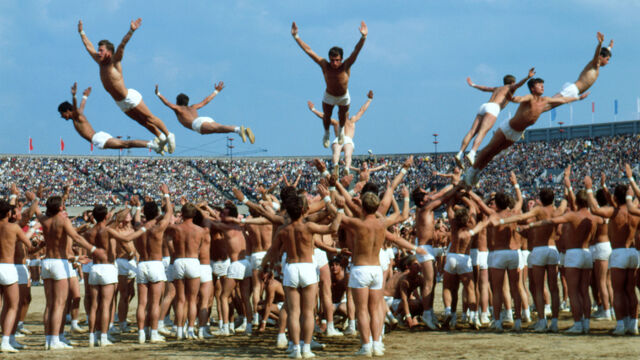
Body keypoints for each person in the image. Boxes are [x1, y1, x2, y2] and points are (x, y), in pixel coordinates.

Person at [463, 78, 589, 186]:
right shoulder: (529, 97)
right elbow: (519, 99)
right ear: (533, 89)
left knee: (494, 153)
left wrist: (578, 98)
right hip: (508, 127)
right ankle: (472, 171)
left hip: (517, 133)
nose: (542, 87)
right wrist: (511, 98)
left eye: (543, 85)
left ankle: (477, 172)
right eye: (539, 85)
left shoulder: (545, 100)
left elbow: (563, 100)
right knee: (490, 149)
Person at [78, 18, 176, 153]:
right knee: (142, 122)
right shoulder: (100, 62)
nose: (98, 52)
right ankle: (160, 138)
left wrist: (131, 31)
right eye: (98, 50)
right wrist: (82, 32)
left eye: (101, 50)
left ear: (109, 52)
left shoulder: (114, 61)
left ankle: (169, 134)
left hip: (129, 97)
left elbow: (122, 45)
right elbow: (88, 46)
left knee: (150, 117)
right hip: (120, 102)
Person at [524, 189, 603, 334]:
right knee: (583, 291)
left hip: (571, 252)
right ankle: (584, 324)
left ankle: (573, 324)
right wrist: (567, 193)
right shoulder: (593, 217)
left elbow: (552, 220)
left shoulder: (571, 215)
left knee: (569, 291)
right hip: (585, 252)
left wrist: (531, 225)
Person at [35, 195, 106, 350]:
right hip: (59, 262)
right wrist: (93, 249)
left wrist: (35, 197)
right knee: (60, 304)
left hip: (46, 261)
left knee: (50, 304)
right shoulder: (63, 220)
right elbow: (75, 236)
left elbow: (35, 208)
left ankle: (51, 339)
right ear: (60, 208)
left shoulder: (43, 220)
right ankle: (55, 340)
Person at [291, 21, 367, 147]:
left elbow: (356, 51)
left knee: (342, 116)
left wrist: (363, 37)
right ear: (329, 59)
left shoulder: (346, 66)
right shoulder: (324, 65)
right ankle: (326, 133)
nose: (334, 63)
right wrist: (296, 37)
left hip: (343, 96)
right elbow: (309, 51)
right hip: (329, 95)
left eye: (337, 60)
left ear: (341, 59)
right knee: (327, 116)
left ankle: (341, 131)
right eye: (332, 60)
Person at [456, 68, 535, 167]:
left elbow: (484, 88)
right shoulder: (511, 87)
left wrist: (473, 84)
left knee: (472, 131)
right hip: (493, 108)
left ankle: (460, 153)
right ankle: (472, 153)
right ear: (512, 82)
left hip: (484, 106)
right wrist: (527, 77)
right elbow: (519, 84)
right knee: (482, 132)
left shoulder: (498, 88)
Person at [58, 83, 161, 152]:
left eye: (62, 114)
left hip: (97, 138)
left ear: (67, 111)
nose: (62, 117)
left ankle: (152, 144)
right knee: (125, 144)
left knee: (125, 144)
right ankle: (152, 144)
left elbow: (75, 107)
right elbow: (82, 106)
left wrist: (74, 96)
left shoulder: (76, 115)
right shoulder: (78, 115)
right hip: (98, 137)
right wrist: (85, 96)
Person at [155, 82, 255, 143]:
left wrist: (158, 94)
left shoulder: (178, 108)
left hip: (196, 124)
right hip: (204, 119)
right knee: (220, 128)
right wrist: (216, 91)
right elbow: (205, 101)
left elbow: (167, 103)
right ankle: (242, 130)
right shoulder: (193, 107)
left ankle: (238, 130)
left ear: (177, 102)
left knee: (219, 128)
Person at [307, 90, 373, 172]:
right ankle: (345, 167)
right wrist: (369, 100)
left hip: (341, 140)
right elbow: (362, 110)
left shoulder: (345, 121)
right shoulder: (347, 121)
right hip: (344, 140)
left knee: (338, 153)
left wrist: (313, 109)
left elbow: (324, 117)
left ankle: (338, 165)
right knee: (347, 155)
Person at [0, 200, 35, 353]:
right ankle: (6, 340)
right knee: (13, 306)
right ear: (8, 213)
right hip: (8, 267)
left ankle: (9, 339)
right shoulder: (13, 227)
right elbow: (31, 247)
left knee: (4, 307)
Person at [167, 203, 206, 340]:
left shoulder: (175, 229)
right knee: (192, 299)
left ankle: (179, 330)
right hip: (192, 260)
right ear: (194, 215)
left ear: (182, 214)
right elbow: (200, 248)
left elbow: (166, 232)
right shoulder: (200, 230)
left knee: (180, 299)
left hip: (179, 260)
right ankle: (190, 329)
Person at [550, 32, 613, 109]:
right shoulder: (595, 64)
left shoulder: (597, 64)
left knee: (549, 105)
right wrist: (600, 44)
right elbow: (597, 54)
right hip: (573, 89)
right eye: (607, 59)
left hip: (575, 91)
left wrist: (609, 47)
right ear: (601, 57)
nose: (608, 62)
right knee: (549, 103)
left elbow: (603, 53)